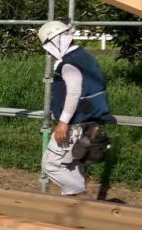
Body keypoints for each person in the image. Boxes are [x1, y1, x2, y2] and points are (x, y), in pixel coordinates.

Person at [39, 21, 113, 197]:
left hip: (74, 123)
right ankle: (76, 208)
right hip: (89, 121)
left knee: (51, 164)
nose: (48, 51)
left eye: (48, 46)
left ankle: (78, 194)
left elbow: (73, 93)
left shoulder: (69, 64)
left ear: (55, 41)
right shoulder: (85, 57)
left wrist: (63, 123)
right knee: (72, 163)